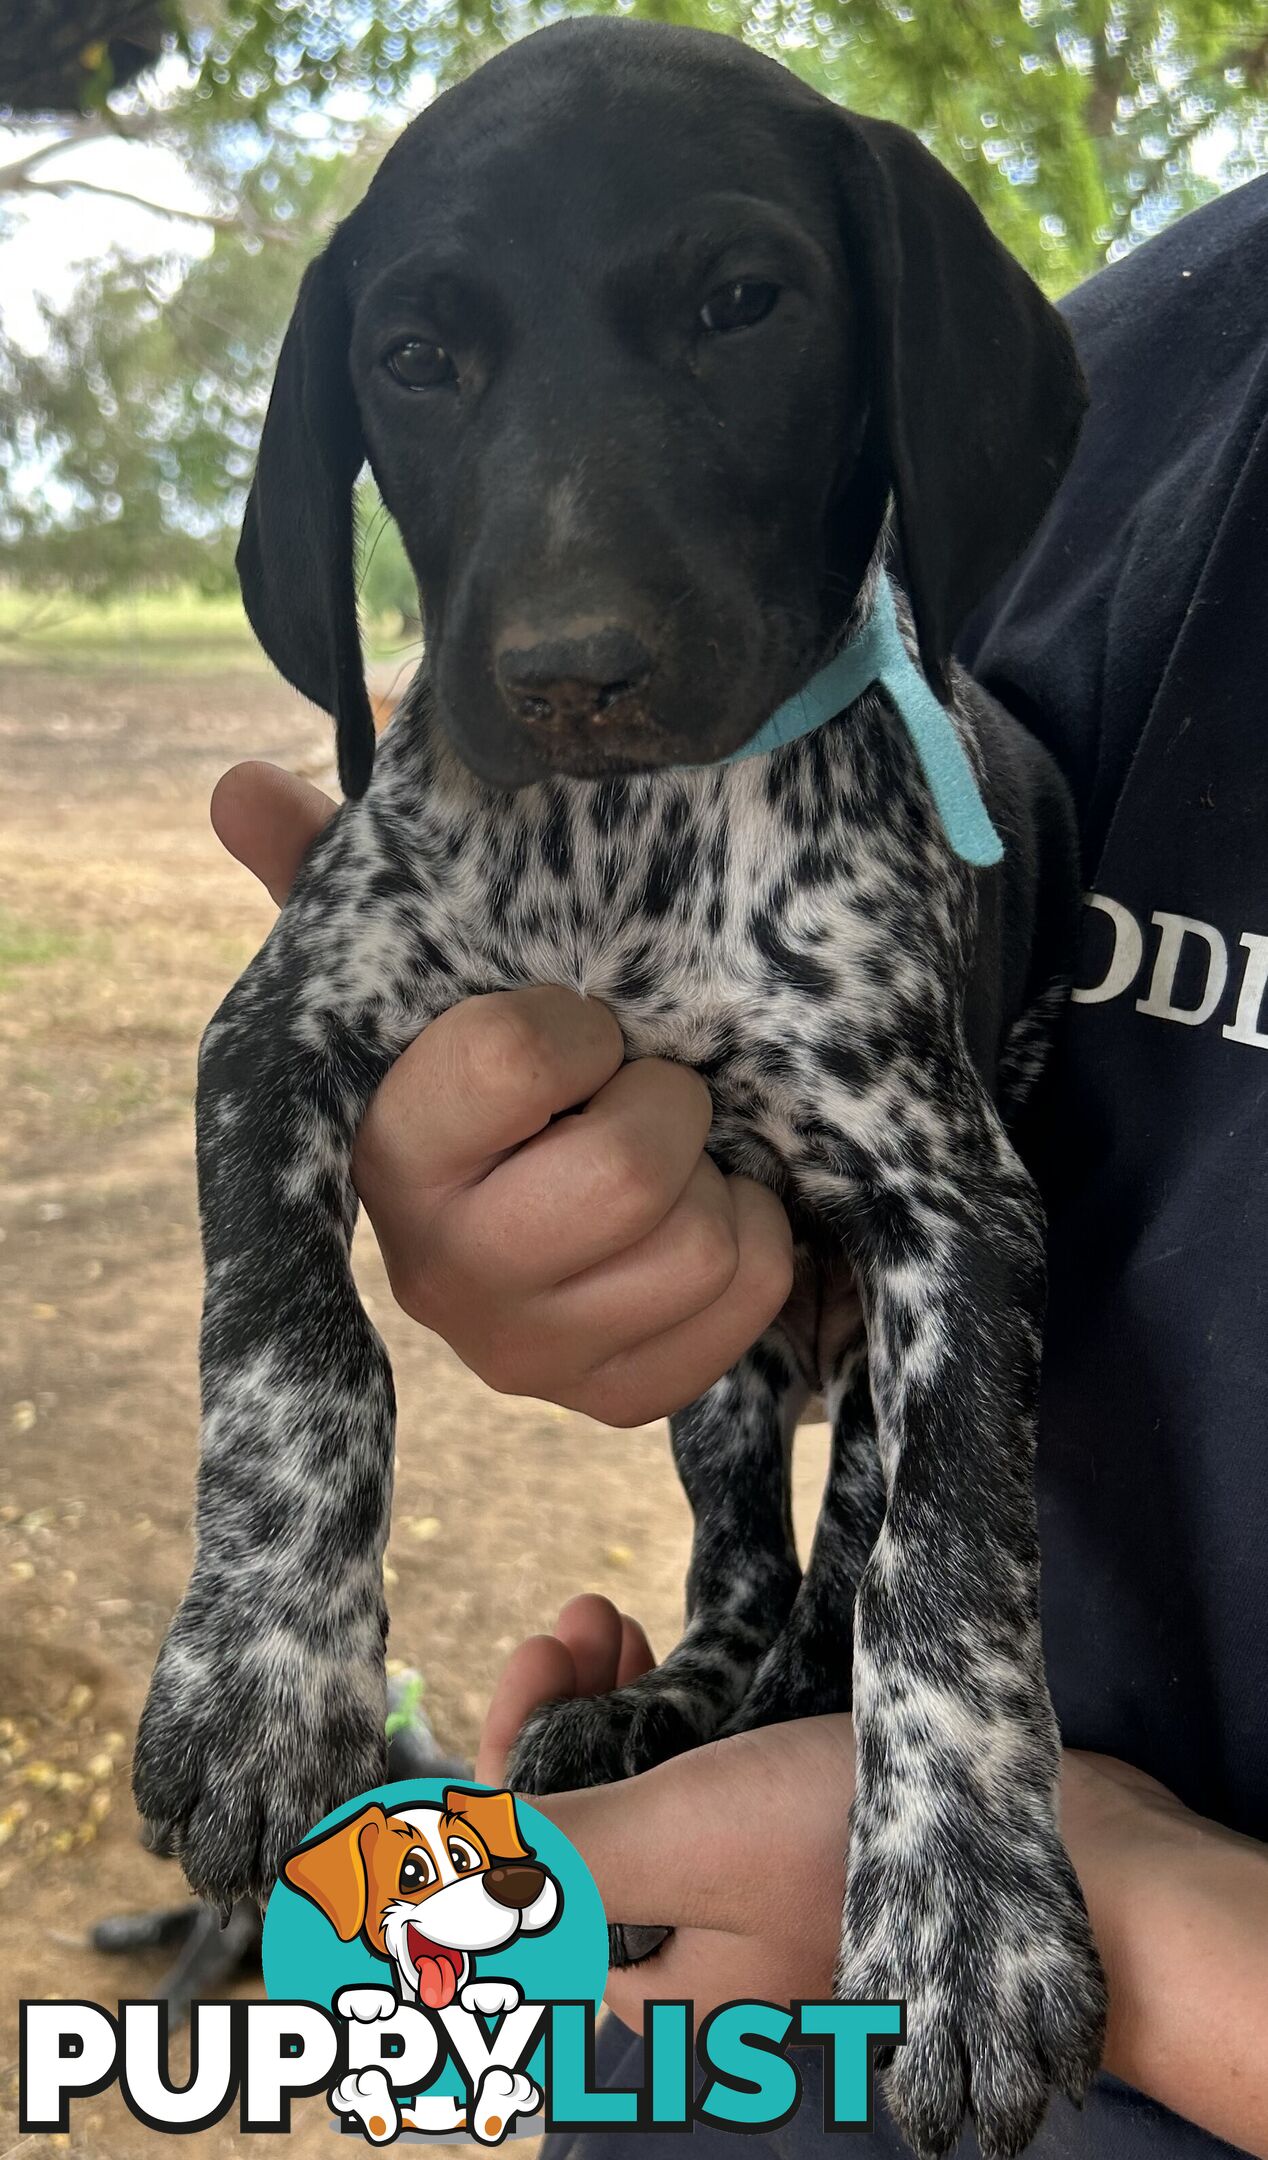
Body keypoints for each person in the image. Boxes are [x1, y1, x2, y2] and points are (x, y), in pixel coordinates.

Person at [212, 171, 1268, 2156]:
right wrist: (621, 1223)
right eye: (428, 359)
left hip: (1006, 1950)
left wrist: (1128, 1903)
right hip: (777, 2003)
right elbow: (910, 1059)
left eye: (728, 312)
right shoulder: (1137, 359)